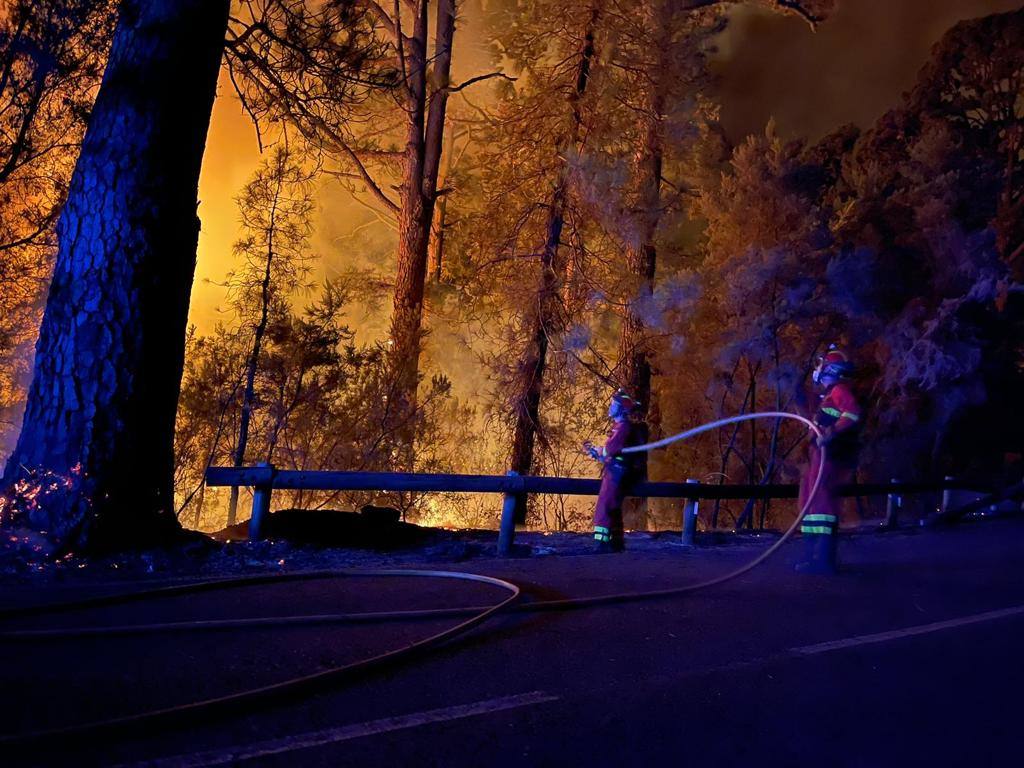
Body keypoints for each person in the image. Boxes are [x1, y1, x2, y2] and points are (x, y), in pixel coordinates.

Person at [797, 345, 863, 574]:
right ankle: (812, 557)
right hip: (821, 456)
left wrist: (832, 432)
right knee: (812, 501)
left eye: (822, 365)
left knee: (822, 503)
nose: (819, 369)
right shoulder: (828, 396)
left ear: (831, 369)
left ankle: (823, 560)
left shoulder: (839, 391)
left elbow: (853, 413)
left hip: (830, 456)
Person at [584, 389, 640, 553]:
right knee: (611, 506)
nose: (610, 407)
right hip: (615, 469)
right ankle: (613, 543)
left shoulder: (622, 427)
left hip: (616, 472)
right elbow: (611, 452)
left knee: (605, 505)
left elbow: (611, 449)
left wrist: (601, 451)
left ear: (621, 408)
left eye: (613, 404)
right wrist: (599, 453)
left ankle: (602, 544)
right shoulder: (619, 426)